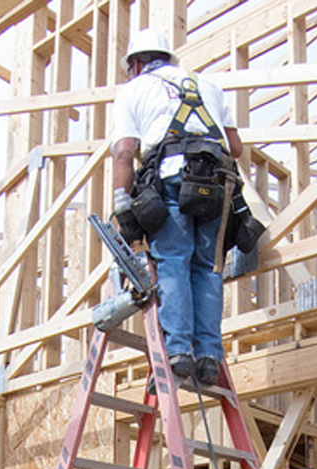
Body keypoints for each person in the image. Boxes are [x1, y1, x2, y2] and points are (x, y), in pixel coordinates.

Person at [111, 28, 243, 386]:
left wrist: (121, 205)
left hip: (171, 178)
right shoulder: (208, 87)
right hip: (216, 182)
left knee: (173, 260)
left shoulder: (133, 90)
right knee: (207, 266)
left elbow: (124, 152)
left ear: (136, 64)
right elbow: (235, 147)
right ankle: (209, 358)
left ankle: (180, 351)